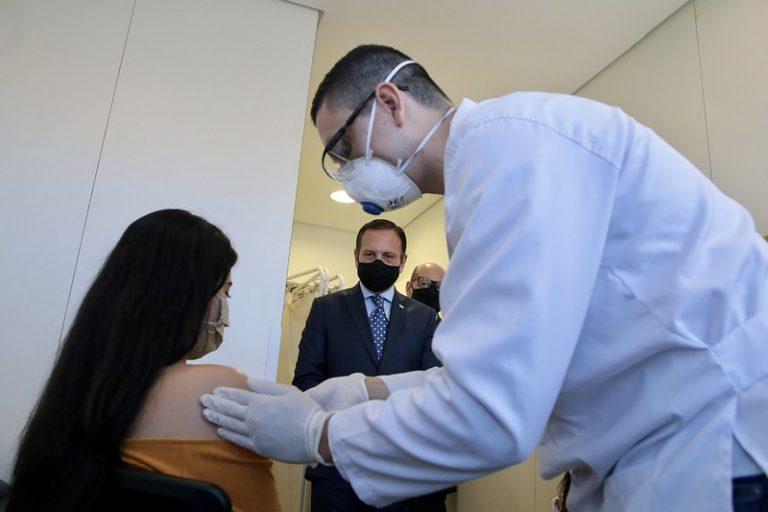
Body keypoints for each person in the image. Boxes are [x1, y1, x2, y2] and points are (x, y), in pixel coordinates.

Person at [201, 45, 768, 511]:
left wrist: (317, 436)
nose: (350, 175)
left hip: (715, 450)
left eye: (346, 150)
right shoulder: (486, 172)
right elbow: (496, 368)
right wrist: (367, 390)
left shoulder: (513, 148)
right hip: (657, 451)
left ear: (390, 102)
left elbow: (490, 413)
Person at [7, 209, 281, 512]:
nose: (225, 308)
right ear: (186, 296)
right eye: (225, 292)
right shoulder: (223, 393)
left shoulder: (74, 391)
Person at [292, 219, 441, 512]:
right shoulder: (326, 309)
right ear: (356, 256)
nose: (378, 262)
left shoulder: (424, 317)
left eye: (388, 256)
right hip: (337, 464)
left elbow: (432, 385)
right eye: (370, 255)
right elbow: (306, 381)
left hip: (401, 467)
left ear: (402, 262)